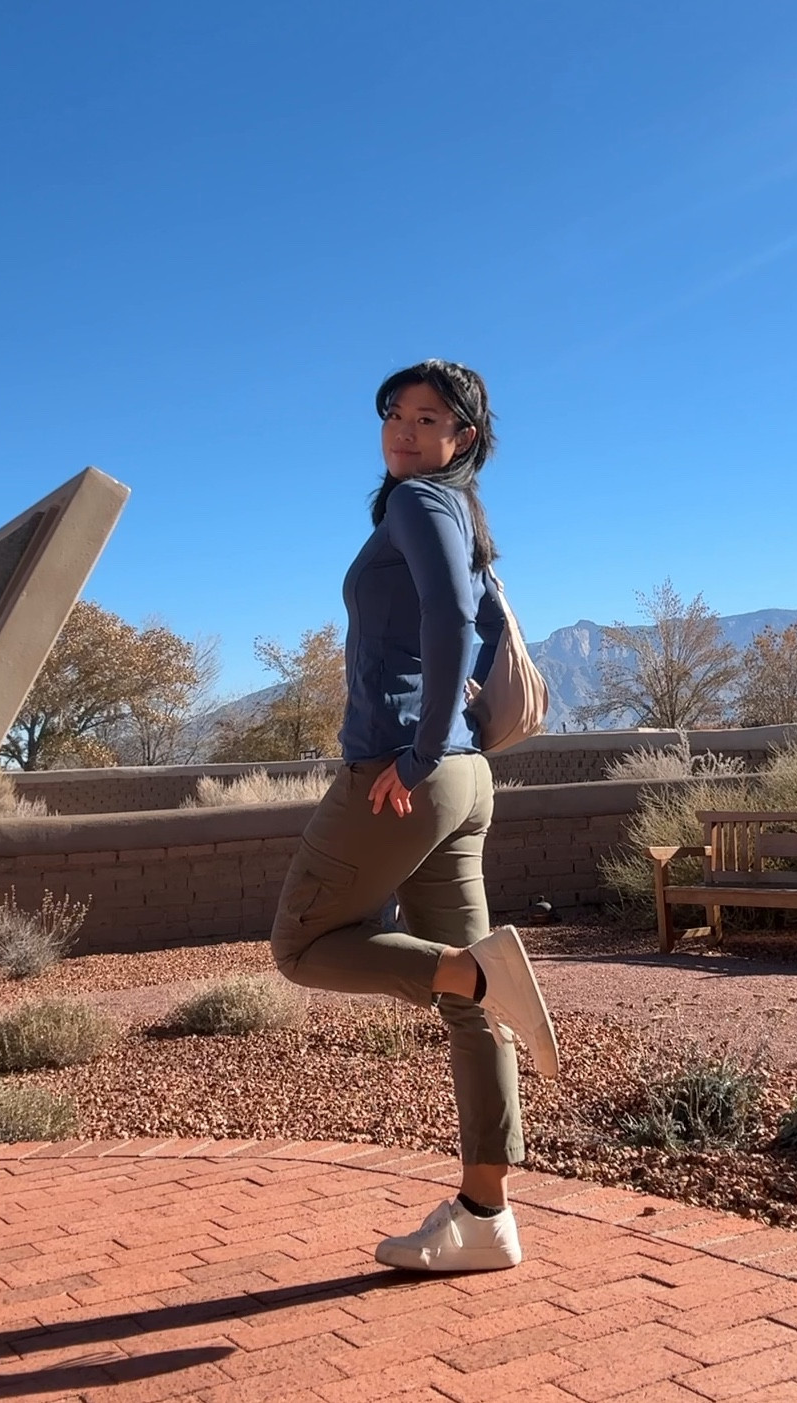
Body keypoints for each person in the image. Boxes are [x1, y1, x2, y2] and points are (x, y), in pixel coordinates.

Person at [270, 359, 558, 1273]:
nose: (402, 428)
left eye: (427, 418)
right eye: (395, 412)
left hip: (406, 776)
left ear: (461, 436)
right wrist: (443, 744)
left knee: (301, 944)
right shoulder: (459, 512)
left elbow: (453, 619)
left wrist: (419, 751)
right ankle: (485, 1215)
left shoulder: (420, 502)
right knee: (475, 1010)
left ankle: (475, 973)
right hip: (464, 778)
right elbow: (474, 620)